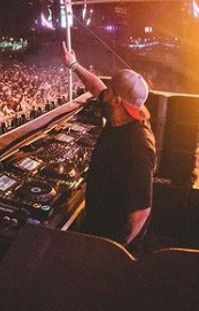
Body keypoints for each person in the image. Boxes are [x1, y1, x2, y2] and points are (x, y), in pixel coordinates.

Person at [62, 42, 156, 246]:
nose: (105, 93)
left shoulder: (138, 145)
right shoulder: (121, 114)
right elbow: (97, 87)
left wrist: (114, 250)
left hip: (112, 236)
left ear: (118, 101)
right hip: (98, 220)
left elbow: (141, 210)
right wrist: (73, 64)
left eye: (110, 91)